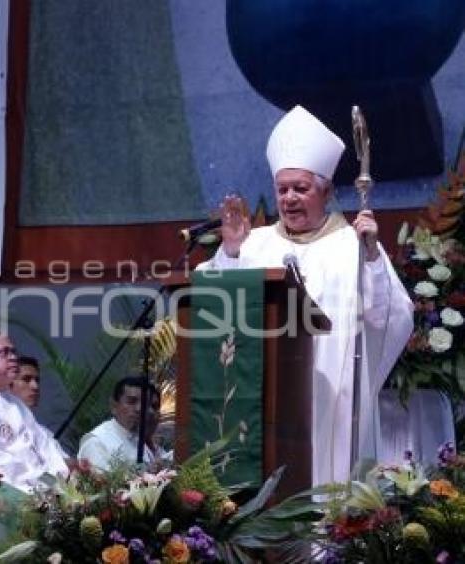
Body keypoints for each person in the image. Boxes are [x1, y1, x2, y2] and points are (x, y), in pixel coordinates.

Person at [197, 105, 414, 485]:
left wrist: (373, 256)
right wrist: (230, 253)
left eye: (301, 188)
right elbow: (217, 304)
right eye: (283, 189)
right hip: (265, 396)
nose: (290, 198)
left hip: (330, 397)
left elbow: (390, 317)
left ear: (326, 191)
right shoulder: (254, 244)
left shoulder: (352, 244)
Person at [0, 329, 69, 491]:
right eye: (4, 352)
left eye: (13, 351)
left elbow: (45, 447)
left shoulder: (15, 402)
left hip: (49, 489)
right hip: (17, 496)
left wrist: (59, 481)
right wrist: (45, 488)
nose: (13, 357)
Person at [78, 376, 170, 471]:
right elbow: (102, 483)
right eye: (131, 402)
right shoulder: (97, 441)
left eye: (144, 404)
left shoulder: (139, 440)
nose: (139, 408)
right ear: (114, 406)